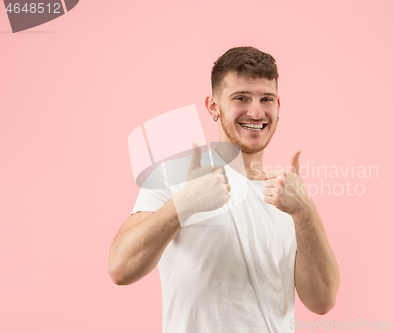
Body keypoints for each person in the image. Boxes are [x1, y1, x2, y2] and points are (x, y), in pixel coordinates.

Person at [108, 46, 340, 332]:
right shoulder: (177, 177)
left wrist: (305, 212)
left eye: (266, 98)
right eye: (241, 98)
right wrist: (183, 205)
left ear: (278, 107)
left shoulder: (288, 198)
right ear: (213, 107)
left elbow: (322, 302)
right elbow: (120, 269)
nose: (255, 112)